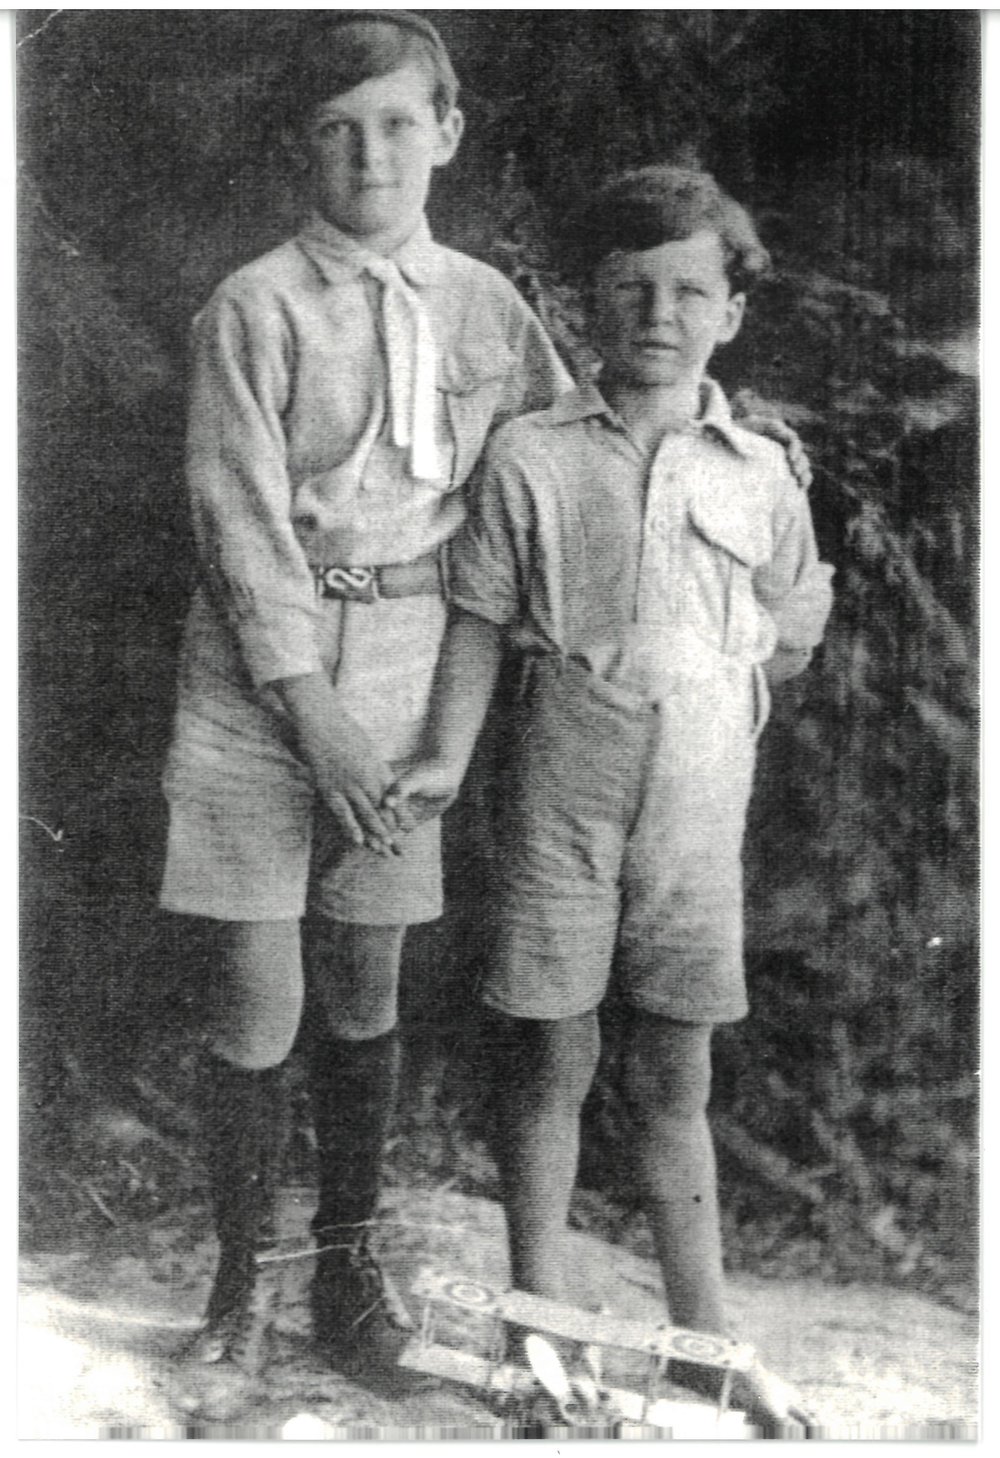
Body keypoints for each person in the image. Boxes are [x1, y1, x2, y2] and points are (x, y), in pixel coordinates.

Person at [159, 10, 572, 1395]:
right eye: (339, 128)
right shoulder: (254, 305)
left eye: (399, 123)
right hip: (255, 670)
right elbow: (238, 523)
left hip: (407, 665)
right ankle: (240, 1282)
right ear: (300, 145)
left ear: (447, 131)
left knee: (361, 972)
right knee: (257, 987)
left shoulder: (488, 306)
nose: (370, 151)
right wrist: (305, 708)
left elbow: (545, 472)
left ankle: (347, 1268)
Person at [392, 165, 834, 1430]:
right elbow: (478, 618)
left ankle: (702, 1340)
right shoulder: (531, 455)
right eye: (629, 287)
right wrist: (439, 760)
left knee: (675, 1070)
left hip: (696, 802)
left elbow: (790, 626)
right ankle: (542, 1330)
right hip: (560, 785)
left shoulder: (761, 470)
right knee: (550, 1054)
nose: (657, 311)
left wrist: (720, 690)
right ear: (585, 302)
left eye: (688, 290)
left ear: (730, 313)